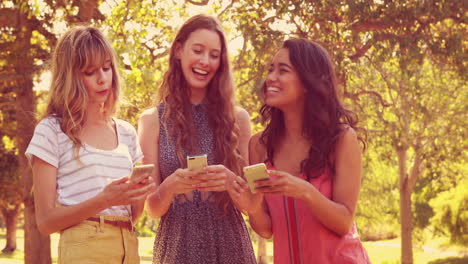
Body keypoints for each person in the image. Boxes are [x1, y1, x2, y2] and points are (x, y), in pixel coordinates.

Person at [25, 26, 155, 264]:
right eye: (90, 72)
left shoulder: (126, 132)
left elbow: (133, 215)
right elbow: (45, 222)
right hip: (84, 249)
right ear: (71, 77)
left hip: (129, 246)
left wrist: (137, 192)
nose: (103, 78)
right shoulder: (51, 131)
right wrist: (104, 200)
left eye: (107, 68)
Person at [138, 14, 256, 264]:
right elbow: (153, 208)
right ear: (179, 50)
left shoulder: (239, 119)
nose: (205, 61)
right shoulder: (151, 121)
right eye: (198, 50)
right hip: (177, 248)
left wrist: (231, 181)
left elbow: (251, 205)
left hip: (231, 247)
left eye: (214, 55)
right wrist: (170, 186)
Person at [247, 38, 371, 263]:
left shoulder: (342, 139)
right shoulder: (258, 146)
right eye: (270, 69)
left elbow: (343, 222)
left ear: (307, 82)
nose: (271, 78)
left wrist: (304, 190)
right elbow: (266, 230)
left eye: (282, 70)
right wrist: (250, 206)